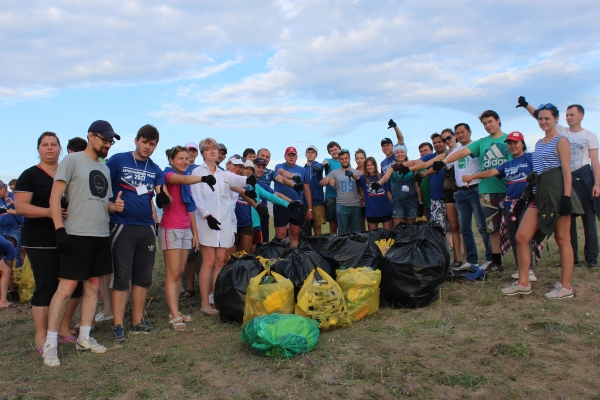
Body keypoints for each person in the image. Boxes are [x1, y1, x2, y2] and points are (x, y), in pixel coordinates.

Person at [41, 120, 124, 367]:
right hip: (76, 234)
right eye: (104, 140)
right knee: (66, 288)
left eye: (111, 141)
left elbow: (102, 201)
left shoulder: (105, 169)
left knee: (94, 286)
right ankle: (50, 344)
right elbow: (55, 196)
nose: (107, 144)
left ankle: (85, 337)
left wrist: (114, 206)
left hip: (100, 234)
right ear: (91, 136)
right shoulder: (72, 160)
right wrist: (59, 229)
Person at [105, 125, 180, 341]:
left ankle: (137, 320)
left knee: (142, 277)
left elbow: (161, 194)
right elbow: (104, 188)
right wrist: (111, 205)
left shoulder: (155, 169)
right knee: (122, 276)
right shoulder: (118, 160)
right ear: (136, 140)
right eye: (144, 142)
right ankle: (118, 324)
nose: (147, 147)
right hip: (121, 225)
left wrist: (164, 198)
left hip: (147, 226)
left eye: (152, 144)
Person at [501, 104, 583, 297]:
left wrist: (566, 197)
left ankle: (566, 287)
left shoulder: (561, 140)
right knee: (521, 237)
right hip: (538, 194)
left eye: (547, 118)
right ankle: (523, 282)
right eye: (540, 119)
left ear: (556, 119)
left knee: (562, 238)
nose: (544, 122)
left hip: (556, 193)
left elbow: (565, 171)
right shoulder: (539, 143)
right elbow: (538, 172)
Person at [14, 132, 84, 355]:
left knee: (74, 286)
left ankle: (63, 327)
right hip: (40, 240)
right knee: (46, 286)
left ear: (61, 149)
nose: (50, 148)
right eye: (45, 145)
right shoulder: (30, 175)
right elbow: (21, 207)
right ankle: (41, 335)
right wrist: (49, 211)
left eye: (54, 144)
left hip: (68, 236)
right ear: (38, 149)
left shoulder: (67, 172)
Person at [517, 97, 600, 269]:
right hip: (560, 178)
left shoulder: (590, 135)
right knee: (566, 225)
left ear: (581, 116)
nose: (569, 117)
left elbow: (595, 161)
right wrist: (526, 105)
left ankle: (591, 257)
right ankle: (573, 256)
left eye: (572, 114)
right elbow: (540, 116)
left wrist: (596, 183)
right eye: (567, 115)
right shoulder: (562, 132)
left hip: (583, 176)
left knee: (588, 219)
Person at [190, 138, 255, 316]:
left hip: (225, 222)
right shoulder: (197, 172)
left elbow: (241, 180)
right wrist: (207, 215)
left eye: (215, 149)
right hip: (207, 222)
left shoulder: (224, 174)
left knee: (220, 262)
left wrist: (252, 178)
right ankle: (204, 302)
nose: (212, 151)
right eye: (208, 149)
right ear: (203, 152)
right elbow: (197, 198)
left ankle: (215, 296)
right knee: (209, 261)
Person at [438, 111, 509, 271]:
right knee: (474, 228)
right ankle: (477, 260)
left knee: (491, 227)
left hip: (496, 188)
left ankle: (499, 260)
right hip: (475, 191)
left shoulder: (503, 140)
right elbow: (461, 152)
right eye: (485, 123)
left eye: (490, 122)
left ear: (498, 121)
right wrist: (443, 161)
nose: (488, 125)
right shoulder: (480, 143)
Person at [462, 131, 537, 281]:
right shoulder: (507, 164)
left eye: (516, 142)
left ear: (522, 143)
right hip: (511, 204)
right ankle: (521, 268)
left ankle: (529, 270)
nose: (512, 146)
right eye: (509, 143)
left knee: (525, 237)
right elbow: (490, 172)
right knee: (515, 237)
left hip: (527, 203)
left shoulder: (530, 158)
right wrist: (472, 176)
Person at [160, 146, 215, 330]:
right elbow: (182, 179)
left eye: (186, 158)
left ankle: (174, 311)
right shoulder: (168, 175)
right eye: (180, 158)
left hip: (185, 229)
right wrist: (203, 178)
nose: (184, 161)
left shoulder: (186, 185)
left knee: (179, 271)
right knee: (173, 273)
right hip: (171, 228)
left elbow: (190, 208)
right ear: (171, 160)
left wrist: (195, 234)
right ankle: (174, 315)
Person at [431, 123, 491, 271]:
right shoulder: (455, 151)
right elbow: (445, 165)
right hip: (460, 192)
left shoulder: (476, 146)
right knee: (464, 228)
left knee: (482, 226)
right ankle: (472, 260)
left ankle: (491, 259)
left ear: (469, 132)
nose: (460, 135)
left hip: (475, 189)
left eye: (462, 132)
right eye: (458, 133)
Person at [274, 147, 313, 247]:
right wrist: (293, 177)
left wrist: (309, 208)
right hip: (281, 205)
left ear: (296, 157)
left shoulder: (302, 170)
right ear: (285, 156)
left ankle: (293, 257)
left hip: (297, 205)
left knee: (295, 234)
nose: (291, 157)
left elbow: (307, 190)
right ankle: (279, 259)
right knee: (280, 236)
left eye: (293, 155)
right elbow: (281, 172)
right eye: (289, 155)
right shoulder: (279, 166)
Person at [320, 149, 362, 235]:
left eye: (346, 158)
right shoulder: (335, 172)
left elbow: (361, 182)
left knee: (357, 233)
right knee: (343, 233)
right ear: (339, 160)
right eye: (342, 159)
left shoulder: (356, 172)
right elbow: (321, 182)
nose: (344, 160)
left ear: (349, 158)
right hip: (342, 205)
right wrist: (329, 180)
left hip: (355, 205)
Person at [180, 141, 202, 302]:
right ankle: (186, 287)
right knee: (186, 255)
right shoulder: (180, 169)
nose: (191, 153)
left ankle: (196, 286)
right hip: (182, 215)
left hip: (198, 214)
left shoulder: (199, 170)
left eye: (194, 151)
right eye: (189, 151)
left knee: (195, 254)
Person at [379, 146, 421, 225]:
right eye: (397, 152)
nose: (400, 154)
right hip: (398, 202)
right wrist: (378, 183)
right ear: (395, 154)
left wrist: (420, 202)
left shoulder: (413, 167)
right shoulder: (392, 168)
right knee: (399, 229)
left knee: (411, 229)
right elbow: (385, 177)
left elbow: (417, 186)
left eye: (402, 152)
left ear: (406, 153)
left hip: (411, 202)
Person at [360, 157, 392, 231]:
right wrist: (367, 201)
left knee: (388, 235)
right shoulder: (363, 178)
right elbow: (361, 190)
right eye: (368, 165)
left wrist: (392, 203)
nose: (370, 167)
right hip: (371, 211)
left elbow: (387, 192)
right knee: (374, 237)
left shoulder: (382, 177)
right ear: (365, 167)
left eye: (371, 165)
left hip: (385, 209)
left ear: (375, 165)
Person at [0, 180, 24, 267]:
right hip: (1, 230)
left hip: (13, 230)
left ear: (3, 188)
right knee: (2, 256)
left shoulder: (14, 197)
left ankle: (17, 276)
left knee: (15, 254)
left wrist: (8, 209)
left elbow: (22, 212)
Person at [304, 145, 325, 235]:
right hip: (305, 203)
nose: (310, 154)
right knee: (306, 230)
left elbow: (320, 167)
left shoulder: (317, 165)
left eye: (312, 152)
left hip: (317, 202)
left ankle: (319, 248)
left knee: (317, 230)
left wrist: (318, 168)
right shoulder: (302, 169)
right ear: (306, 154)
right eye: (308, 152)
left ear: (316, 155)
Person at [323, 141, 342, 235]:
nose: (334, 151)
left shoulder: (345, 162)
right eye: (331, 150)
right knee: (333, 226)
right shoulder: (328, 161)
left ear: (339, 149)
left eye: (335, 149)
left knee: (343, 224)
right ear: (329, 153)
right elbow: (324, 162)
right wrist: (325, 165)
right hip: (331, 197)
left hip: (343, 197)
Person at [417, 141, 434, 221]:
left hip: (437, 201)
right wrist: (420, 202)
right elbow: (418, 185)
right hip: (425, 204)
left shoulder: (436, 163)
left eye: (425, 150)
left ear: (431, 151)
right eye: (421, 151)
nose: (423, 153)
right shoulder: (418, 168)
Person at [0, 235, 17, 308]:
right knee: (6, 271)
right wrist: (12, 291)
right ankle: (3, 301)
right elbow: (9, 273)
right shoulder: (11, 248)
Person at [354, 148, 367, 230]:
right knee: (361, 225)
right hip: (358, 202)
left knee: (371, 222)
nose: (359, 160)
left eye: (362, 158)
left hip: (369, 200)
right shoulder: (354, 172)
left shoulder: (369, 170)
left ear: (365, 158)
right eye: (357, 158)